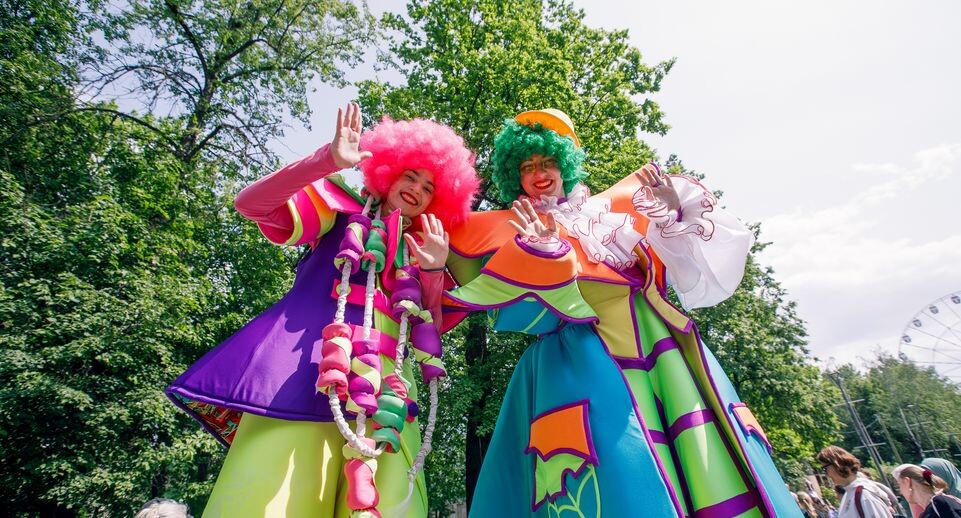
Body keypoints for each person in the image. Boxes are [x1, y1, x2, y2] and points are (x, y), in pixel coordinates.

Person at [442, 109, 801, 516]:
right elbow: (514, 315)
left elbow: (686, 270)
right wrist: (538, 258)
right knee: (619, 470)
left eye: (548, 162)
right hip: (581, 359)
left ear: (565, 164)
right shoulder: (510, 229)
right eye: (527, 167)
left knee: (698, 455)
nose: (539, 173)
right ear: (515, 177)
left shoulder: (615, 209)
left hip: (657, 348)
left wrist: (672, 216)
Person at [166, 103, 479, 516]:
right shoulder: (339, 211)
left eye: (428, 187)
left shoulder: (423, 251)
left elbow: (431, 333)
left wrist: (435, 271)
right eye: (410, 175)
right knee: (276, 501)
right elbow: (252, 205)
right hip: (305, 375)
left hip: (387, 398)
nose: (417, 189)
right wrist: (325, 161)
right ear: (388, 171)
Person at [817, 446, 894, 517]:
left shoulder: (864, 495)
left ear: (838, 464)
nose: (826, 474)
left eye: (825, 469)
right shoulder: (850, 493)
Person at [895, 464, 961, 518]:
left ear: (907, 482)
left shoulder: (939, 503)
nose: (900, 492)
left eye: (899, 485)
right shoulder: (931, 509)